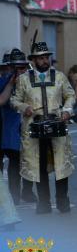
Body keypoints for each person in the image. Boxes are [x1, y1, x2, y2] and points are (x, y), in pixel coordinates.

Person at [10, 41, 75, 214]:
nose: (44, 61)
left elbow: (70, 95)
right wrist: (25, 108)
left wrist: (67, 110)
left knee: (61, 164)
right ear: (33, 60)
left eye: (46, 57)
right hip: (34, 126)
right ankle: (44, 203)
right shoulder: (24, 80)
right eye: (41, 58)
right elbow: (14, 100)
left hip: (57, 123)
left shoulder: (59, 76)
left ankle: (63, 201)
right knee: (39, 166)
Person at [0, 49, 36, 205]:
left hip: (25, 130)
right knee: (13, 165)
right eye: (17, 68)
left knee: (29, 162)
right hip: (7, 130)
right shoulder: (4, 82)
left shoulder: (31, 83)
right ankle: (10, 197)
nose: (20, 71)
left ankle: (24, 193)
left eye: (23, 67)